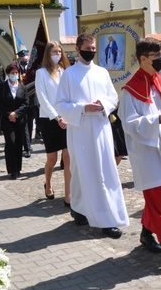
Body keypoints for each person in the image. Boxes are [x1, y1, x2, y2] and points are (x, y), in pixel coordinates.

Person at [118, 37, 161, 271]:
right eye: (156, 57)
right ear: (142, 59)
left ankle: (147, 233)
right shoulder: (130, 90)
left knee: (158, 200)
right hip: (146, 153)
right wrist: (156, 119)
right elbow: (129, 123)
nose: (160, 60)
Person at [55, 33, 129, 239]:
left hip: (101, 128)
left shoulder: (102, 72)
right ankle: (79, 209)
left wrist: (102, 105)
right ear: (78, 49)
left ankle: (106, 220)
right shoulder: (69, 75)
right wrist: (82, 107)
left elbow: (113, 97)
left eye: (94, 48)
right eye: (87, 48)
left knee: (103, 171)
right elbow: (60, 104)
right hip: (80, 130)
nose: (91, 51)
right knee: (81, 170)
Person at [35, 41, 71, 206]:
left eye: (59, 51)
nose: (57, 54)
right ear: (48, 55)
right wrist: (57, 117)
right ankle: (48, 183)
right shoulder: (41, 73)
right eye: (54, 52)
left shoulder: (64, 72)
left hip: (66, 119)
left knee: (68, 157)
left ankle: (68, 195)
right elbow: (43, 99)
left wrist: (67, 115)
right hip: (49, 119)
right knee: (52, 158)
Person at [0, 62, 29, 179]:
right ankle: (12, 169)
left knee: (18, 143)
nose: (15, 75)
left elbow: (26, 103)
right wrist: (9, 114)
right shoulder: (2, 87)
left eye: (16, 73)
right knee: (11, 142)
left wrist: (16, 113)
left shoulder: (22, 87)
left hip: (19, 120)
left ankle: (18, 168)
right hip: (7, 120)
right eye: (12, 73)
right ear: (8, 74)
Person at [17, 49, 36, 158]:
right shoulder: (15, 68)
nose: (24, 61)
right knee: (23, 124)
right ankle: (27, 147)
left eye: (25, 59)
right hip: (21, 101)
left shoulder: (32, 69)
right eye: (22, 59)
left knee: (30, 123)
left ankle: (28, 143)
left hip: (32, 99)